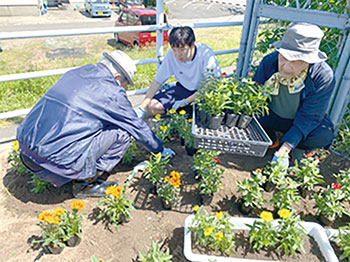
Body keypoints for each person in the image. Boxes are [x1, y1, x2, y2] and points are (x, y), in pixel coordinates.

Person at [16, 50, 174, 198]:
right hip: (55, 166)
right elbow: (136, 126)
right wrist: (159, 149)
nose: (123, 89)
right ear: (117, 77)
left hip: (25, 152)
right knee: (122, 133)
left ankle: (63, 168)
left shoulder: (76, 72)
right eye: (125, 85)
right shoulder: (111, 91)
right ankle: (84, 184)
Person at [253, 23, 335, 169]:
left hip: (299, 119)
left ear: (310, 60)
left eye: (297, 62)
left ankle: (297, 147)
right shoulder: (269, 62)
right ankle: (271, 137)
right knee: (250, 118)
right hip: (272, 114)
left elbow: (310, 116)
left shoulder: (322, 76)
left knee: (323, 135)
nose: (286, 68)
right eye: (284, 58)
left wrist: (286, 148)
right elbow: (254, 95)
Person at [136, 26, 221, 117]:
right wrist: (142, 107)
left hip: (202, 92)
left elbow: (212, 83)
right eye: (174, 50)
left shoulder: (205, 52)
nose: (178, 54)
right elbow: (157, 81)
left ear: (192, 45)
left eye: (182, 49)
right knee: (152, 107)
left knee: (207, 111)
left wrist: (186, 101)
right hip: (183, 89)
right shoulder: (171, 54)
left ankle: (183, 111)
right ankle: (182, 112)